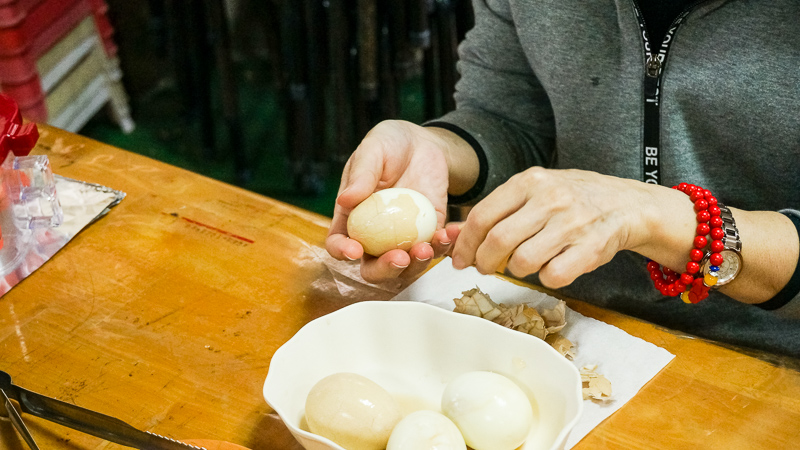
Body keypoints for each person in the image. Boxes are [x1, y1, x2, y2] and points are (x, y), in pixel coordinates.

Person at [326, 0, 800, 357]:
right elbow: (508, 116)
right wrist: (438, 149)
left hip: (760, 358)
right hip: (565, 325)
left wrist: (657, 216)